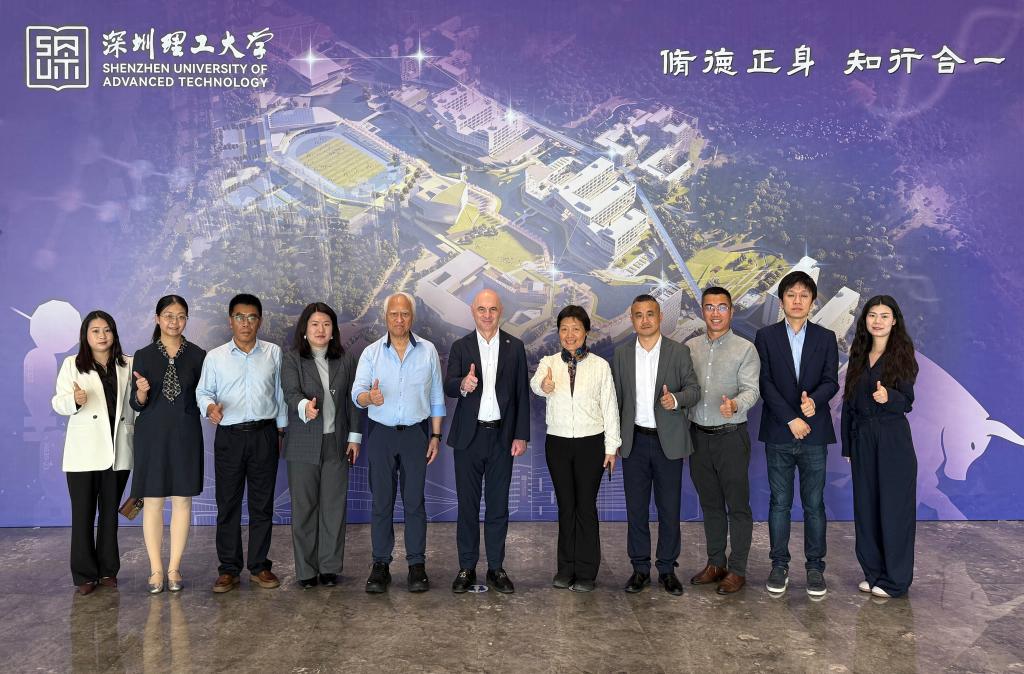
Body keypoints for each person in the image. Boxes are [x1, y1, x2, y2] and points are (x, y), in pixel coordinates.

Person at [351, 292, 445, 593]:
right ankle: (380, 565)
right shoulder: (371, 353)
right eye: (394, 314)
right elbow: (356, 393)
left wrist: (435, 435)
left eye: (405, 314)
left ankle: (417, 565)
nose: (399, 319)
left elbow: (436, 396)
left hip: (417, 435)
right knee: (382, 502)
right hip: (381, 434)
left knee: (415, 502)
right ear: (386, 317)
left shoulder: (428, 351)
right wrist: (370, 397)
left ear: (412, 317)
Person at [755, 271, 839, 597]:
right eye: (791, 295)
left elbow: (831, 381)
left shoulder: (826, 337)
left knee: (814, 504)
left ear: (813, 302)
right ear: (781, 301)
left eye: (804, 295)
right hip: (779, 432)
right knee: (779, 504)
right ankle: (779, 565)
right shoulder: (766, 336)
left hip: (815, 434)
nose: (797, 301)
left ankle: (815, 568)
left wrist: (813, 401)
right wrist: (791, 418)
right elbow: (764, 383)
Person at [195, 293, 287, 593]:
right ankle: (229, 569)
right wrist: (210, 407)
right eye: (239, 317)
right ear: (230, 321)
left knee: (262, 504)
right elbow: (203, 392)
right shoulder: (216, 357)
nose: (245, 323)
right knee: (228, 505)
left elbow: (281, 393)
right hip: (229, 437)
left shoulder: (273, 353)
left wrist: (281, 431)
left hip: (264, 435)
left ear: (259, 321)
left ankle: (259, 566)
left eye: (251, 317)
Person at [612, 294, 699, 596]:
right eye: (639, 315)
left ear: (660, 317)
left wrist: (675, 399)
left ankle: (666, 569)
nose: (645, 320)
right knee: (636, 509)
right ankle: (639, 569)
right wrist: (613, 442)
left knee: (669, 509)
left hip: (667, 443)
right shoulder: (621, 354)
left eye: (650, 314)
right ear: (632, 320)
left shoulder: (679, 352)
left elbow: (694, 390)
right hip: (634, 442)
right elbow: (616, 400)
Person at [444, 289, 530, 594]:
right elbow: (448, 385)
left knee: (498, 507)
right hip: (468, 439)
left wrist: (521, 434)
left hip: (502, 438)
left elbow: (521, 393)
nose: (487, 315)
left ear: (500, 311)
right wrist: (463, 384)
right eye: (482, 309)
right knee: (467, 507)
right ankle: (466, 567)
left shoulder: (515, 347)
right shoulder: (461, 346)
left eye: (492, 309)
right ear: (473, 311)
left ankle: (496, 568)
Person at [531, 305, 620, 592]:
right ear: (559, 332)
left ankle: (586, 571)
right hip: (557, 443)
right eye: (564, 329)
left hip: (591, 443)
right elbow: (536, 385)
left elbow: (610, 407)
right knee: (566, 506)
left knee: (586, 507)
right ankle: (565, 568)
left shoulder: (600, 366)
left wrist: (611, 447)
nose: (570, 335)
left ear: (586, 332)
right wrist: (544, 385)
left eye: (576, 329)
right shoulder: (548, 362)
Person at [51, 310, 134, 595]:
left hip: (118, 451)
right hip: (83, 454)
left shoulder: (128, 364)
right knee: (83, 515)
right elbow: (57, 402)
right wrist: (74, 400)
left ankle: (108, 570)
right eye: (95, 331)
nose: (102, 336)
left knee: (110, 514)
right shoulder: (72, 364)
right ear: (85, 336)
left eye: (107, 330)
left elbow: (135, 407)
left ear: (114, 334)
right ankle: (85, 575)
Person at [841, 296, 919, 598]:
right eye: (872, 315)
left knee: (893, 509)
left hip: (892, 439)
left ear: (894, 320)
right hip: (862, 438)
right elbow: (848, 403)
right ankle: (873, 573)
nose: (877, 321)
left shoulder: (902, 354)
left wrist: (890, 398)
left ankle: (895, 580)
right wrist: (848, 446)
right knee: (866, 507)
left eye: (884, 316)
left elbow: (907, 401)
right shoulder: (858, 354)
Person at [281, 302, 362, 589]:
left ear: (333, 330)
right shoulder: (292, 359)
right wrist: (304, 406)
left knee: (333, 508)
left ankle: (329, 567)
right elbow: (290, 392)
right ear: (304, 329)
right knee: (304, 509)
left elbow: (353, 401)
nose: (320, 329)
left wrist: (354, 437)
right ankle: (306, 570)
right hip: (303, 444)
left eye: (326, 324)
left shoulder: (347, 360)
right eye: (314, 324)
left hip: (336, 443)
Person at [685, 287, 760, 595]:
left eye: (721, 307)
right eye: (709, 307)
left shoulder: (745, 349)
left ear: (731, 311)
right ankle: (716, 563)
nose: (715, 313)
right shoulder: (690, 347)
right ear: (702, 311)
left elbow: (751, 390)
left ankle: (737, 569)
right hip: (698, 438)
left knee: (738, 506)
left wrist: (735, 405)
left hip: (731, 437)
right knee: (710, 504)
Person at [129, 295, 207, 594]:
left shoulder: (198, 355)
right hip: (151, 435)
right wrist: (141, 392)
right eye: (169, 316)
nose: (175, 322)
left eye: (181, 316)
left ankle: (174, 568)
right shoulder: (143, 355)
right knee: (153, 502)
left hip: (186, 434)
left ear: (187, 319)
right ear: (157, 319)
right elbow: (136, 404)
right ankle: (156, 569)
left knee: (183, 500)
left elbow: (204, 396)